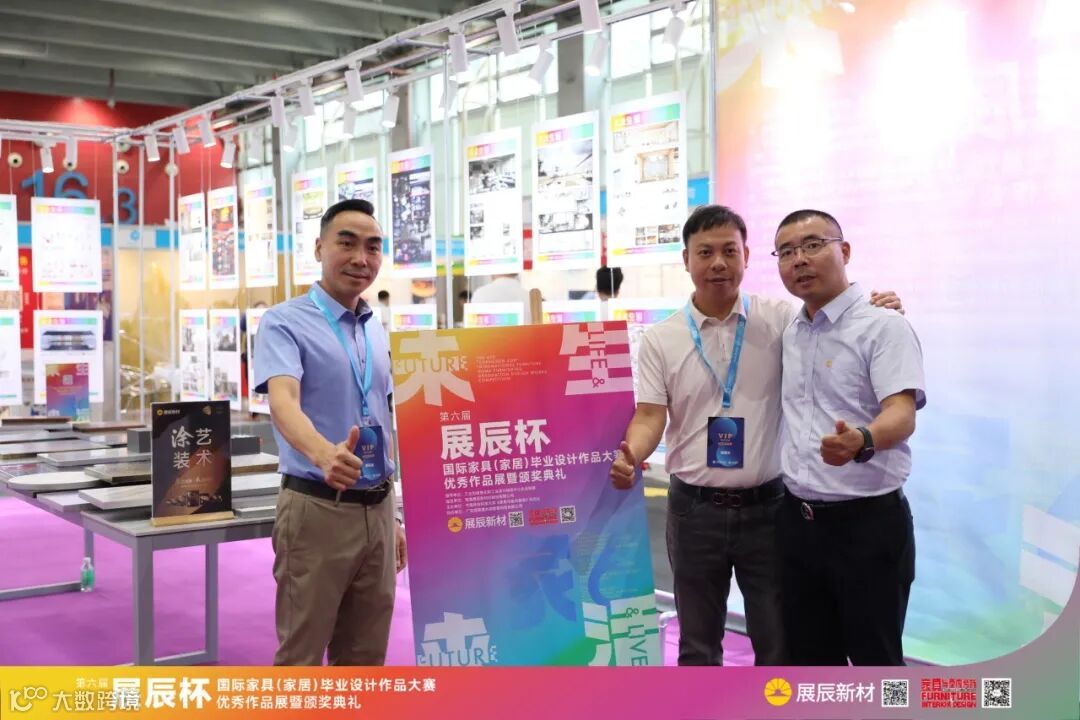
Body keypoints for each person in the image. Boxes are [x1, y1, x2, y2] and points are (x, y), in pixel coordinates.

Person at [609, 205, 901, 666]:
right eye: (705, 252)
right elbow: (649, 416)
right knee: (697, 645)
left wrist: (879, 308)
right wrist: (633, 454)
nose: (718, 263)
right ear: (686, 260)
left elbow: (838, 321)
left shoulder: (784, 320)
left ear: (746, 256)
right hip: (693, 511)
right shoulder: (662, 339)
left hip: (770, 509)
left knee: (778, 642)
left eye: (730, 251)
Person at [254, 198, 406, 666]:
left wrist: (394, 514)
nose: (361, 258)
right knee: (301, 657)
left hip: (377, 509)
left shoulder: (374, 329)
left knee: (366, 657)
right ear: (319, 248)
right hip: (318, 508)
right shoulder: (283, 321)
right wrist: (324, 454)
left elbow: (382, 417)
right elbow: (283, 400)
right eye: (347, 243)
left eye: (373, 247)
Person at [772, 209, 925, 666]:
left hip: (867, 528)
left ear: (845, 250)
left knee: (876, 661)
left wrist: (862, 438)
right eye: (786, 252)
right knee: (810, 662)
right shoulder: (790, 329)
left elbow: (902, 414)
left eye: (812, 245)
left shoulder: (884, 325)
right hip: (796, 524)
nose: (800, 259)